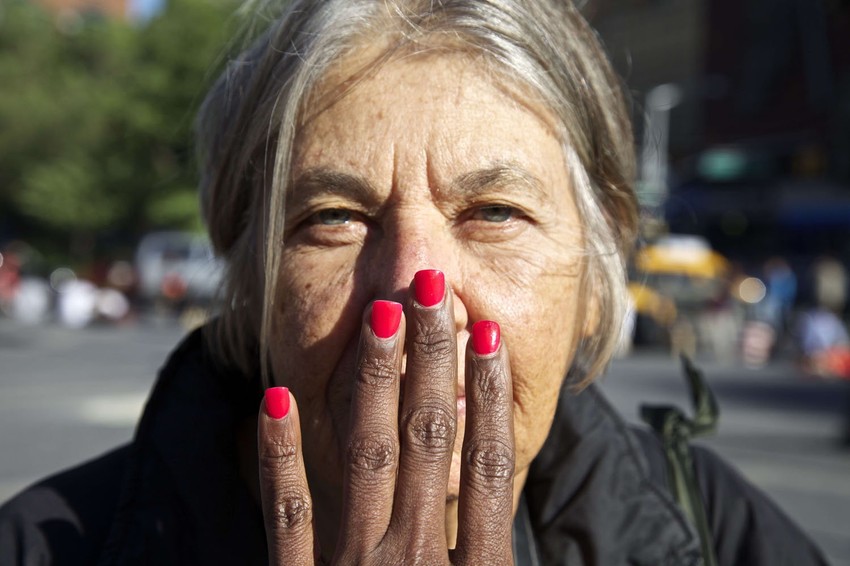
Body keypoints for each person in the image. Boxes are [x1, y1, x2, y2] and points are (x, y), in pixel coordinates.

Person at [0, 1, 829, 564]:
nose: (412, 283)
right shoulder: (47, 546)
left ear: (599, 263)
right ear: (247, 274)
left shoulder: (719, 535)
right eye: (334, 217)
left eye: (494, 212)